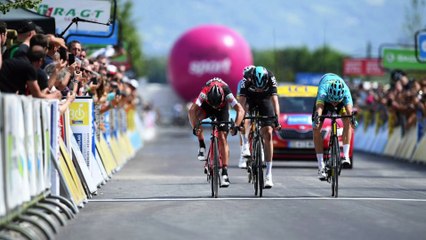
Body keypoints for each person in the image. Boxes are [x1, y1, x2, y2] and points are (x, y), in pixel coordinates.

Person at [188, 77, 244, 187]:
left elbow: (240, 110)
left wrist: (236, 126)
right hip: (206, 107)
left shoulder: (227, 91)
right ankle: (202, 145)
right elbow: (191, 111)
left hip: (222, 110)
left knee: (222, 137)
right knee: (197, 119)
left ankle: (224, 172)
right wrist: (195, 127)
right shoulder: (204, 91)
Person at [238, 66, 281, 188]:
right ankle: (245, 144)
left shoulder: (271, 78)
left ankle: (268, 174)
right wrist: (240, 121)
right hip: (250, 100)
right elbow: (241, 103)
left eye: (261, 88)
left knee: (268, 132)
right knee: (244, 115)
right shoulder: (246, 80)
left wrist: (276, 119)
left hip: (264, 101)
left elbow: (275, 101)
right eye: (256, 87)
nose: (258, 89)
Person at [311, 73, 357, 180]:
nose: (334, 104)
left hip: (340, 100)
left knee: (347, 119)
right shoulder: (323, 91)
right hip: (324, 102)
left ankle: (345, 156)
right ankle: (320, 165)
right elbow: (319, 108)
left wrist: (353, 121)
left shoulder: (345, 92)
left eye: (336, 102)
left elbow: (350, 111)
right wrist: (317, 118)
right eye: (333, 101)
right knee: (316, 127)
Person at [236, 65, 255, 168]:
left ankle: (260, 149)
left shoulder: (259, 80)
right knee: (243, 124)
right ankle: (242, 155)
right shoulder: (242, 83)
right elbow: (240, 101)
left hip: (256, 101)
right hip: (245, 102)